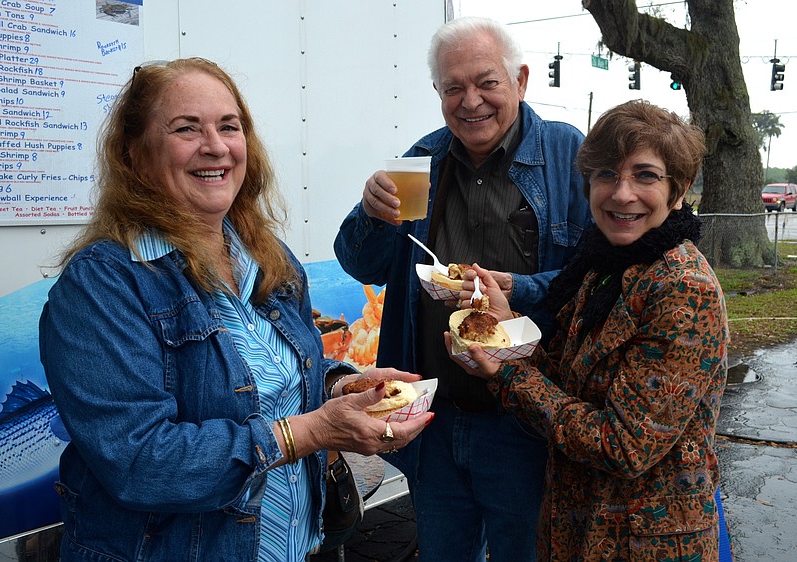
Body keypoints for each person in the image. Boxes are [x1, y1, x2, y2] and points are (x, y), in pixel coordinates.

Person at [38, 57, 431, 562]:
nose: (217, 146)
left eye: (230, 126)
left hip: (298, 546)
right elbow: (139, 460)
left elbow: (283, 374)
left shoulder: (264, 255)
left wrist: (344, 385)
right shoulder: (102, 284)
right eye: (187, 128)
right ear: (134, 154)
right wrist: (313, 431)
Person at [334, 16, 593, 562]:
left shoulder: (569, 156)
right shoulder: (421, 160)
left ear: (520, 81)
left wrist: (519, 290)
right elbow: (364, 264)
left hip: (523, 419)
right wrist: (371, 216)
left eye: (487, 82)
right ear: (438, 93)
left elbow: (595, 276)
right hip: (436, 415)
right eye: (453, 88)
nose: (470, 101)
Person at [453, 99, 729, 561]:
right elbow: (564, 379)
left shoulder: (682, 287)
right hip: (578, 528)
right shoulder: (604, 266)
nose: (622, 194)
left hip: (643, 540)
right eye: (606, 175)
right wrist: (505, 328)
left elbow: (623, 446)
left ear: (677, 190)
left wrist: (505, 373)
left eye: (644, 175)